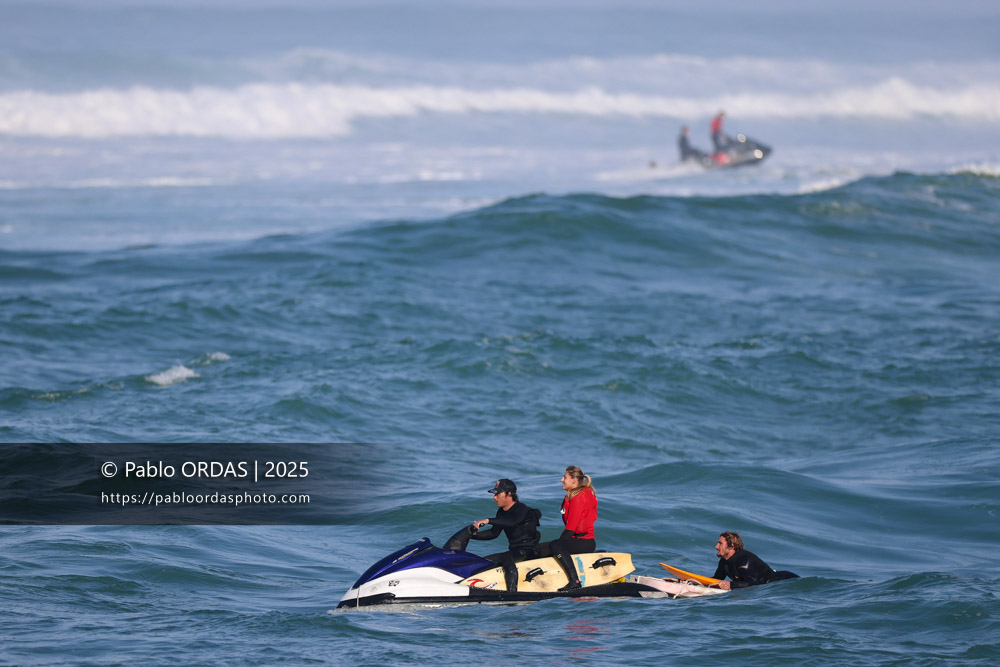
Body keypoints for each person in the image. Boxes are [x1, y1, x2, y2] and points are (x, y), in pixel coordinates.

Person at [469, 478, 542, 592]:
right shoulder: (501, 512)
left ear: (509, 494)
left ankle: (512, 592)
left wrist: (488, 520)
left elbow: (512, 521)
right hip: (514, 551)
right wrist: (472, 535)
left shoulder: (521, 508)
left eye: (497, 494)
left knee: (507, 557)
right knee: (485, 561)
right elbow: (493, 533)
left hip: (530, 550)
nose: (494, 497)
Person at [538, 466, 598, 591]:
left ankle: (574, 581)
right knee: (539, 549)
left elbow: (570, 529)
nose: (561, 480)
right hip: (578, 541)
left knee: (555, 545)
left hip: (584, 542)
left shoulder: (579, 497)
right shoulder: (579, 494)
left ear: (574, 480)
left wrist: (558, 545)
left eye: (565, 477)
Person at [710, 531, 799, 590]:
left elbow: (753, 583)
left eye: (720, 543)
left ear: (731, 547)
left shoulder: (743, 561)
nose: (716, 546)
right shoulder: (724, 562)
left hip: (784, 581)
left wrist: (731, 585)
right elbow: (717, 579)